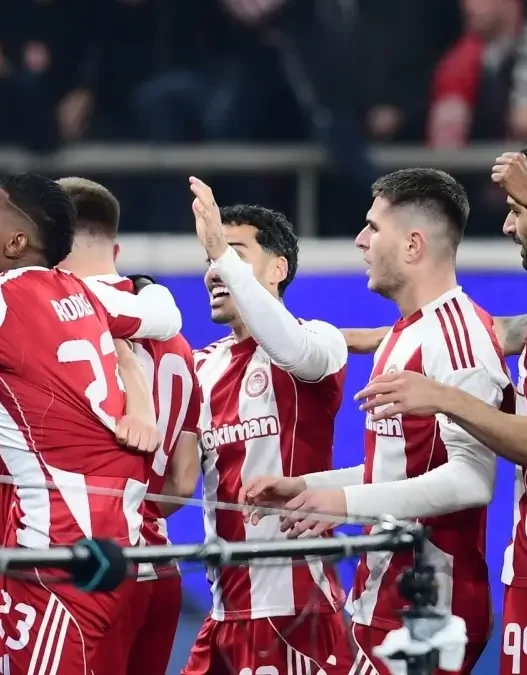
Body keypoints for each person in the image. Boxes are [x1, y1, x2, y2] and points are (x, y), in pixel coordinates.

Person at [240, 168, 515, 675]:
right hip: (384, 597)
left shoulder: (458, 338)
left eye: (373, 227)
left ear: (413, 245)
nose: (360, 241)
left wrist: (342, 503)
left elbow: (473, 481)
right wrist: (309, 487)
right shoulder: (405, 333)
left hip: (430, 610)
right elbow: (401, 469)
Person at [354, 152, 527, 675]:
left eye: (518, 209)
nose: (508, 226)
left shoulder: (455, 334)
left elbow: (475, 479)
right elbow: (500, 330)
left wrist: (444, 395)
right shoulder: (430, 328)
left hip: (438, 594)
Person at [0, 173, 180, 674]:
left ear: (16, 242)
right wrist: (146, 285)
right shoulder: (84, 294)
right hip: (106, 543)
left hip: (59, 550)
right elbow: (164, 315)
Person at [182, 177, 351, 675]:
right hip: (222, 614)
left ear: (279, 269)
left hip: (296, 614)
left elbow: (291, 348)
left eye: (233, 254)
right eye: (210, 259)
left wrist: (220, 251)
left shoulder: (319, 340)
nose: (214, 270)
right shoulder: (201, 366)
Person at [55, 176, 201, 675]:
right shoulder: (179, 344)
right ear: (115, 249)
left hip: (87, 563)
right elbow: (182, 481)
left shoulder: (54, 324)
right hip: (158, 567)